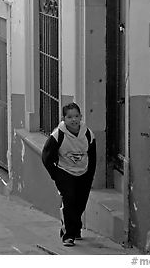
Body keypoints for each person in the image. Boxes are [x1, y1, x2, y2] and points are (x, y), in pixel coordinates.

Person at [41, 102, 96, 247]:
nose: (74, 120)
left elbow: (93, 157)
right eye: (70, 117)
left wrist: (90, 175)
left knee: (80, 202)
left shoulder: (88, 134)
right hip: (65, 172)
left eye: (76, 116)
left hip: (83, 172)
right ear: (64, 118)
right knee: (69, 200)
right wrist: (56, 174)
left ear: (81, 117)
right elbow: (46, 156)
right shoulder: (57, 135)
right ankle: (68, 235)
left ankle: (76, 228)